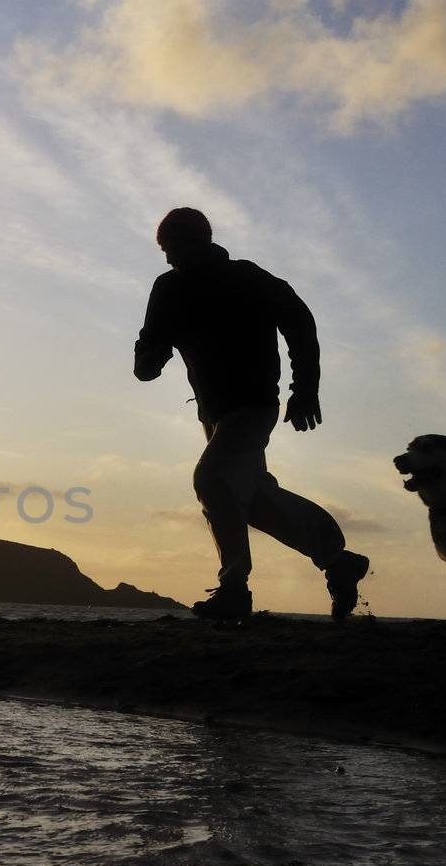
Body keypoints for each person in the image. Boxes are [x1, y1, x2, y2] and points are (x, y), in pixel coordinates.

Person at [134, 207, 369, 621]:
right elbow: (147, 353)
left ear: (198, 242)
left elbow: (300, 322)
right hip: (215, 414)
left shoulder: (246, 278)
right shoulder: (168, 288)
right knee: (253, 499)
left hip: (253, 406)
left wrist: (305, 390)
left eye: (172, 248)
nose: (168, 258)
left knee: (211, 479)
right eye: (164, 251)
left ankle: (234, 590)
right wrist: (151, 355)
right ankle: (338, 561)